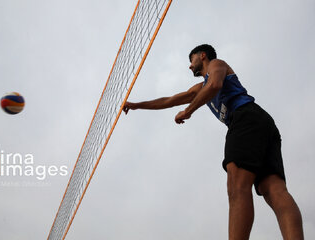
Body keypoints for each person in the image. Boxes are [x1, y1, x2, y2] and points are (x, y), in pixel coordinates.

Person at [122, 44, 304, 240]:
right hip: (262, 124)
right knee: (273, 189)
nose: (190, 66)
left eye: (191, 61)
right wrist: (136, 106)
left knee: (236, 184)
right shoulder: (199, 88)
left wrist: (188, 111)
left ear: (202, 56)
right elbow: (170, 100)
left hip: (246, 117)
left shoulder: (216, 65)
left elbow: (215, 85)